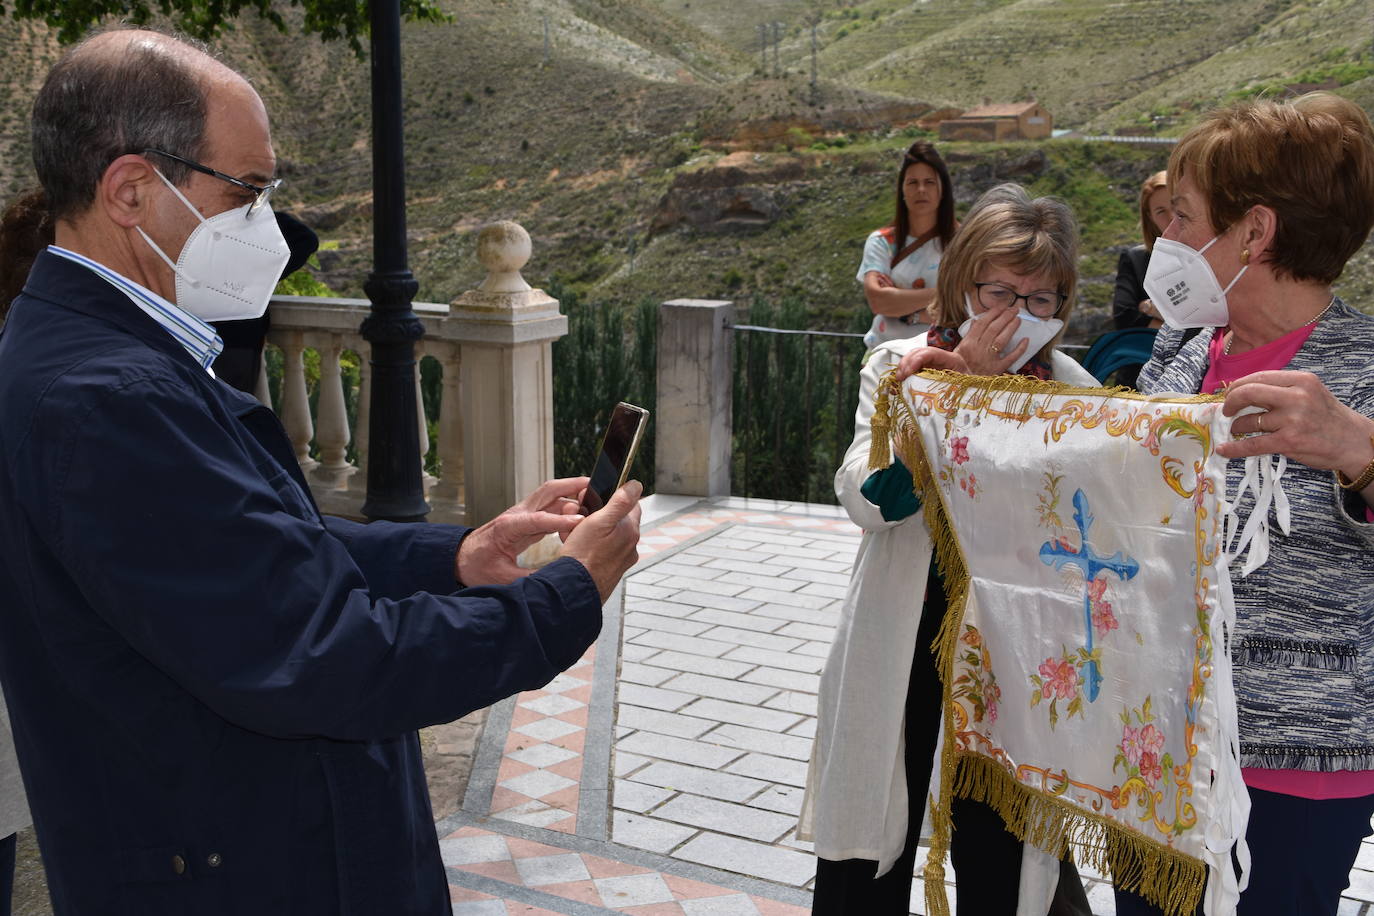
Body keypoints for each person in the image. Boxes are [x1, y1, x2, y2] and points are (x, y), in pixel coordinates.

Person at [0, 28, 640, 916]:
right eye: (247, 191)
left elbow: (248, 546)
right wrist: (563, 596)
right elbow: (326, 659)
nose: (264, 224)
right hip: (248, 872)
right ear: (132, 190)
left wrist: (454, 556)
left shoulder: (89, 348)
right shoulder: (110, 395)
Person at [803, 184, 1096, 916]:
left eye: (1040, 299)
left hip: (1012, 656)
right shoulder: (901, 369)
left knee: (1000, 854)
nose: (1017, 315)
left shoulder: (1074, 393)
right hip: (905, 636)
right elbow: (869, 500)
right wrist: (952, 397)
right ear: (963, 283)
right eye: (1000, 292)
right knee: (869, 839)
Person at [1115, 92, 1374, 916]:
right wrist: (974, 395)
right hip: (1157, 739)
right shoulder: (1180, 350)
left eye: (1183, 216)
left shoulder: (1364, 368)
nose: (1165, 237)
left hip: (1293, 760)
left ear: (1254, 233)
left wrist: (1360, 450)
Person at [859, 140, 958, 350]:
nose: (921, 189)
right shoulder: (881, 242)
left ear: (942, 190)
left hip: (944, 359)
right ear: (902, 190)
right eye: (913, 182)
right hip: (886, 356)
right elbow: (878, 301)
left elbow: (968, 305)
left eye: (929, 182)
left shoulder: (963, 242)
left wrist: (902, 307)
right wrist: (944, 295)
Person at [1112, 170, 1171, 330]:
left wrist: (1148, 308)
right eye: (1161, 211)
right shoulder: (1135, 260)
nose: (1172, 216)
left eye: (1176, 205)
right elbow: (1123, 316)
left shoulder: (1214, 251)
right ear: (1150, 217)